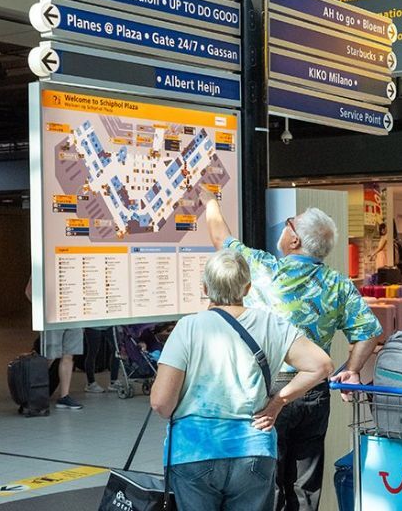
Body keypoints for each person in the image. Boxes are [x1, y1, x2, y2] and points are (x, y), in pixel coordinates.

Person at [203, 189, 382, 511]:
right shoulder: (338, 284)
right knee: (305, 484)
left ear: (295, 241)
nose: (284, 228)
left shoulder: (263, 269)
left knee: (266, 480)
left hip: (268, 390)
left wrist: (209, 200)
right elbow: (368, 333)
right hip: (313, 391)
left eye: (289, 224)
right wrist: (351, 368)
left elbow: (220, 238)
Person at [150, 250, 333, 511]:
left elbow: (161, 403)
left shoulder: (187, 328)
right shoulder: (272, 324)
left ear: (205, 287)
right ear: (247, 287)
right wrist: (277, 402)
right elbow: (321, 365)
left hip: (194, 452)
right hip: (253, 450)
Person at [28, 277, 84, 410]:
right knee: (50, 356)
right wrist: (42, 311)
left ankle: (64, 396)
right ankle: (31, 393)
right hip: (53, 317)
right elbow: (29, 291)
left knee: (69, 356)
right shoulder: (46, 263)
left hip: (73, 315)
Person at [83, 327, 119, 393]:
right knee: (92, 352)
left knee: (117, 350)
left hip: (109, 323)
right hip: (93, 324)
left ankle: (114, 381)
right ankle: (91, 383)